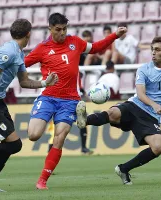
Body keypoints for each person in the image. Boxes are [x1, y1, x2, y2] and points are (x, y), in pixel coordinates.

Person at [24, 12, 127, 190]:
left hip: (70, 100)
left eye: (64, 29)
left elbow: (95, 47)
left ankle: (42, 181)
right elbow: (21, 64)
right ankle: (82, 119)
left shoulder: (75, 42)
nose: (62, 33)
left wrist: (114, 36)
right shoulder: (42, 48)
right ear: (50, 29)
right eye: (58, 30)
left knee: (60, 137)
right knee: (33, 135)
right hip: (48, 97)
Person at [77, 36, 161, 185]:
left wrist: (154, 108)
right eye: (152, 49)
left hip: (151, 117)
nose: (153, 52)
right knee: (113, 113)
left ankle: (124, 169)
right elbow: (140, 93)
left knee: (158, 147)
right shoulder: (144, 69)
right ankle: (84, 120)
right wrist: (153, 104)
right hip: (135, 106)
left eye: (158, 50)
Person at [0, 19, 58, 192]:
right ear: (28, 34)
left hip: (0, 103)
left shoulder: (18, 53)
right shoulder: (9, 51)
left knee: (13, 145)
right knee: (14, 144)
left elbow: (24, 82)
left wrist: (44, 83)